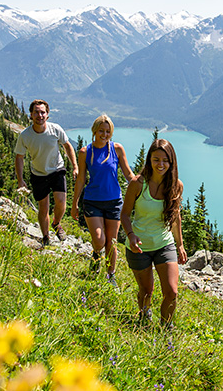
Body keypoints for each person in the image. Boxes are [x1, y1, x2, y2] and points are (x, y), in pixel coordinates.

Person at [121, 138, 187, 327]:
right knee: (146, 291)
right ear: (149, 159)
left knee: (172, 292)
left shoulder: (176, 186)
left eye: (165, 160)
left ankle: (166, 329)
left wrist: (180, 244)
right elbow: (125, 214)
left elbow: (176, 217)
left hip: (164, 244)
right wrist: (131, 235)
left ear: (171, 162)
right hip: (139, 246)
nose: (161, 164)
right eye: (156, 159)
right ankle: (144, 316)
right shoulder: (137, 184)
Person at [71, 114, 134, 286]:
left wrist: (140, 190)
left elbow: (128, 174)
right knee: (99, 239)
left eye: (108, 131)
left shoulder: (117, 149)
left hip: (114, 202)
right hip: (92, 201)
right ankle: (96, 255)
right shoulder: (85, 152)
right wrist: (74, 203)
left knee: (112, 242)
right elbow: (81, 179)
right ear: (95, 131)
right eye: (101, 131)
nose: (104, 135)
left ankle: (110, 275)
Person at [14, 99, 78, 248]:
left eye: (42, 112)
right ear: (31, 115)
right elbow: (19, 157)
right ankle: (45, 237)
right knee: (44, 208)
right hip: (38, 174)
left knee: (61, 202)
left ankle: (56, 223)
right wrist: (20, 180)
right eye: (36, 112)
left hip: (57, 169)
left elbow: (67, 146)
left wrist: (75, 166)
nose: (40, 115)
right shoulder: (25, 135)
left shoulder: (55, 129)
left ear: (47, 115)